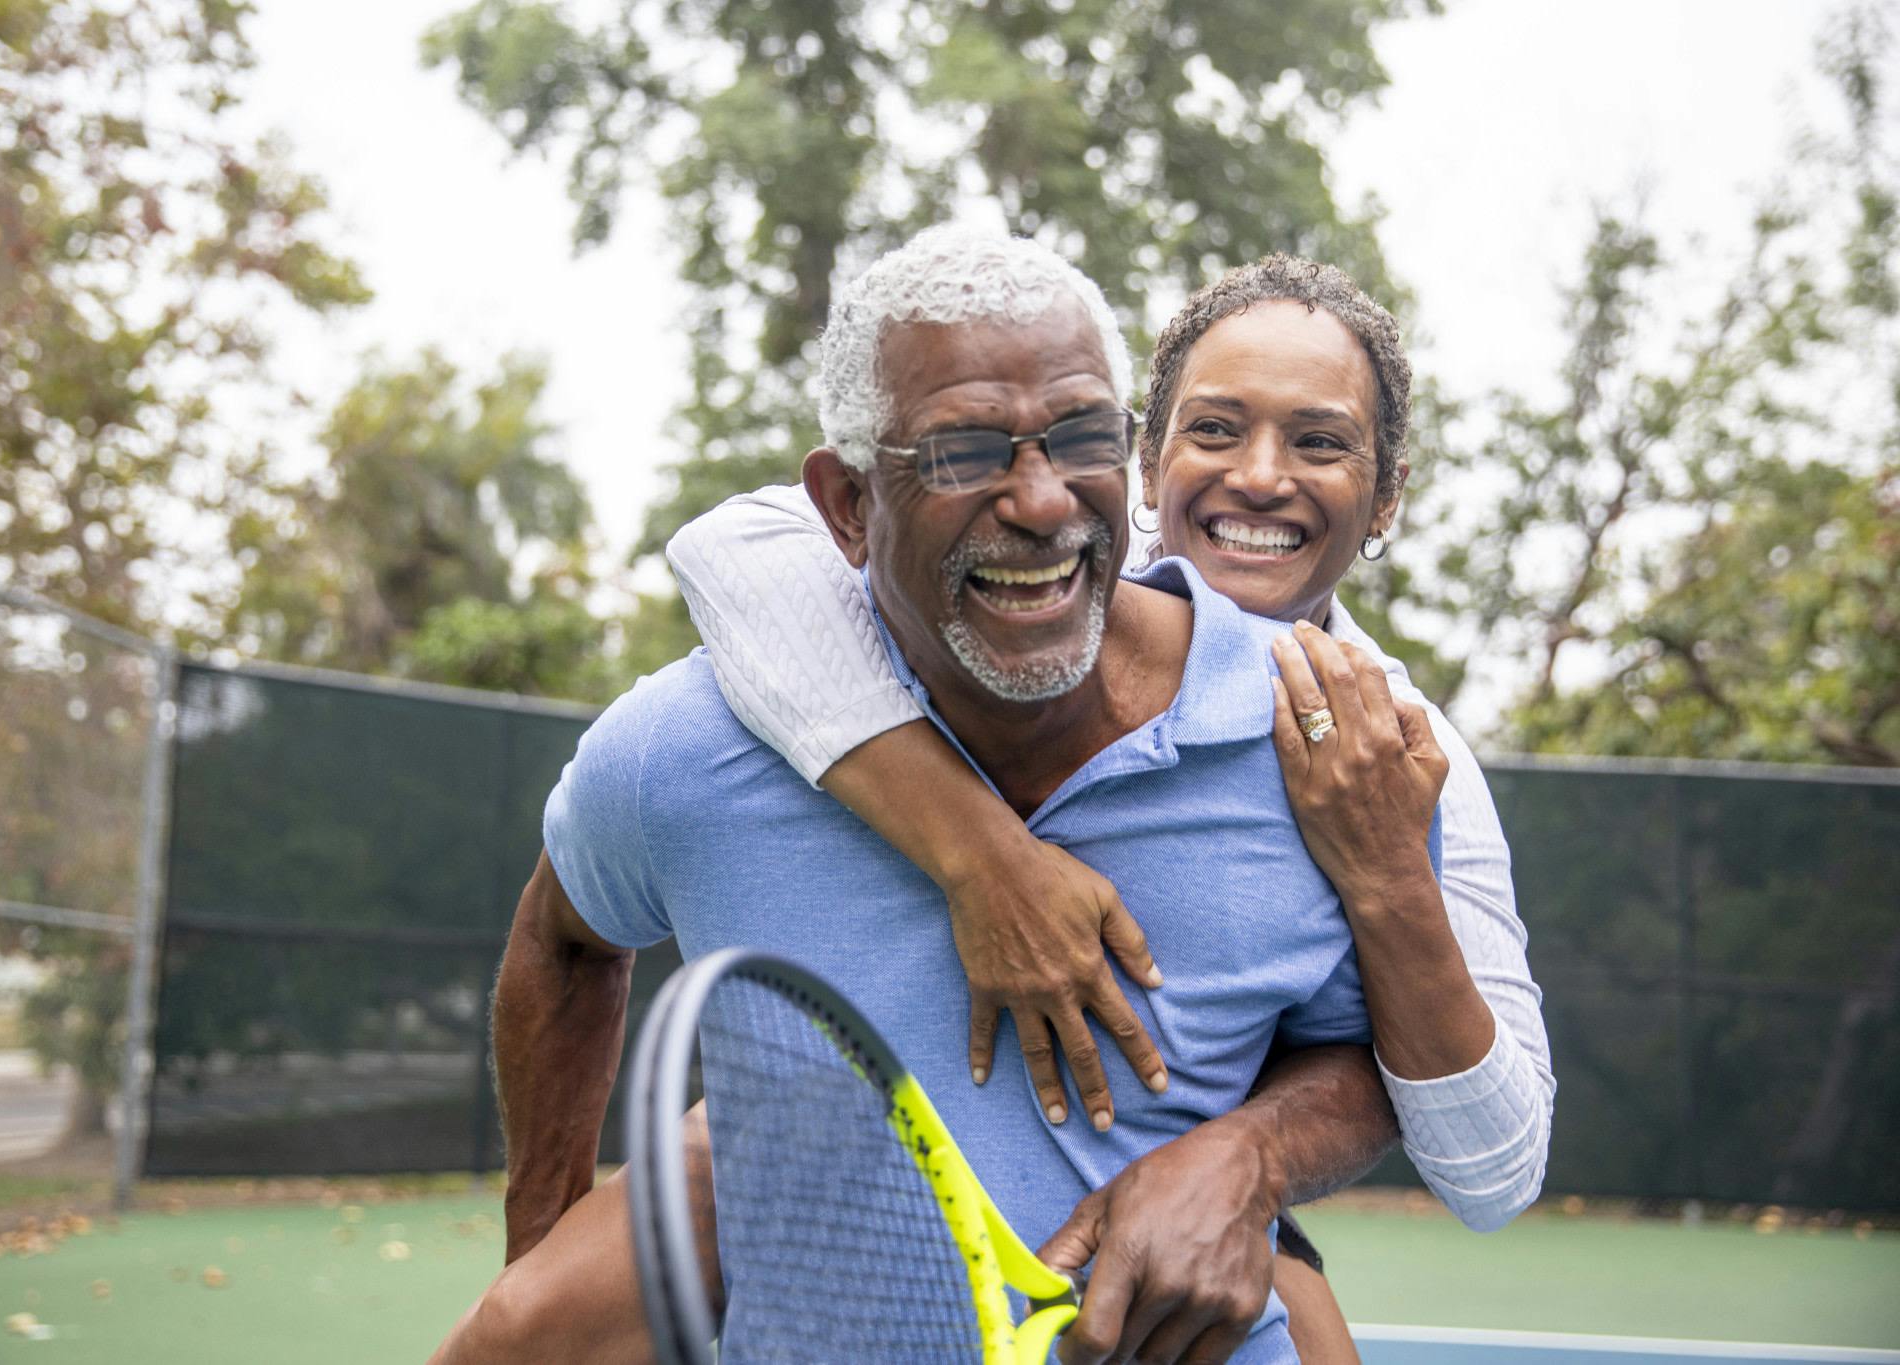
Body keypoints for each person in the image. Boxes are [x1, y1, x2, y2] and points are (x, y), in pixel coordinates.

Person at [438, 225, 1433, 1365]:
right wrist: (537, 1243)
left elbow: (1374, 1053)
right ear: (849, 507)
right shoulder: (686, 747)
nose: (1043, 501)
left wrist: (1250, 1157)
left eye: (1080, 437)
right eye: (963, 452)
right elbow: (562, 940)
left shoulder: (1325, 749)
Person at [657, 254, 1556, 1352]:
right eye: (1215, 429)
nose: (1260, 476)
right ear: (1142, 457)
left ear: (1386, 494)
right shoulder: (1000, 601)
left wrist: (1378, 881)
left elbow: (1492, 1166)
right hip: (866, 1187)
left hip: (1204, 1202)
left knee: (1305, 1333)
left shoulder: (1402, 756)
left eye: (1318, 441)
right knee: (542, 1312)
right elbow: (729, 545)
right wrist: (983, 856)